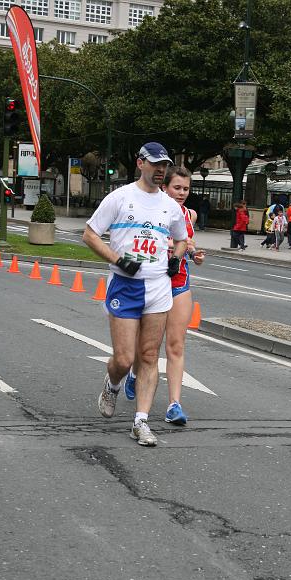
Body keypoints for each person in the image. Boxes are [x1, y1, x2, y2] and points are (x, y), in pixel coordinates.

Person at [82, 142, 187, 447]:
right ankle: (112, 382)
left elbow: (181, 239)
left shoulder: (170, 206)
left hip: (157, 286)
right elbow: (89, 234)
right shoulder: (120, 197)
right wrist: (117, 259)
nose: (161, 171)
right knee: (125, 359)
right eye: (155, 165)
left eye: (164, 165)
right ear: (141, 163)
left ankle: (140, 421)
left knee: (149, 355)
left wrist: (176, 259)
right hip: (125, 285)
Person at [124, 166, 205, 426]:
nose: (181, 193)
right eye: (177, 188)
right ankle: (135, 373)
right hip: (153, 282)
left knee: (176, 345)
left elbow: (189, 247)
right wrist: (173, 244)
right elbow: (145, 239)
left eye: (186, 189)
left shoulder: (189, 215)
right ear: (165, 187)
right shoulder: (151, 209)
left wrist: (195, 255)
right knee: (147, 346)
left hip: (179, 282)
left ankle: (174, 405)